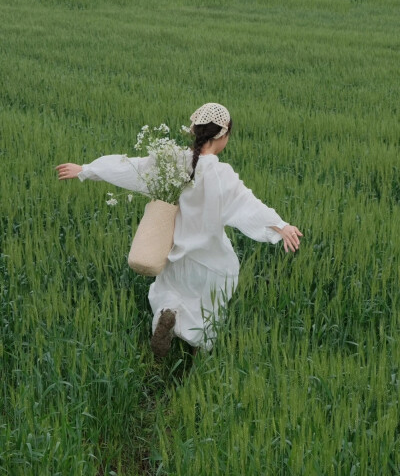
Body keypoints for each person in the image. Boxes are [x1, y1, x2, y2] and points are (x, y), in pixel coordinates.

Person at [56, 103, 302, 357]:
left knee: (169, 293)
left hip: (176, 255)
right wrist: (281, 226)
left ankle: (167, 317)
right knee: (211, 299)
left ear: (195, 130)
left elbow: (132, 167)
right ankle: (195, 351)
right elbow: (248, 205)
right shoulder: (221, 174)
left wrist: (87, 170)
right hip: (210, 262)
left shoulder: (172, 163)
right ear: (224, 133)